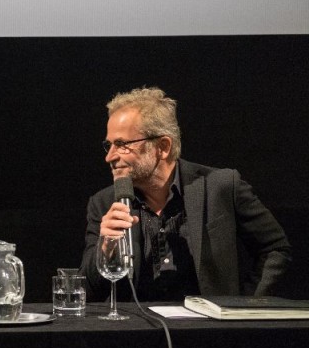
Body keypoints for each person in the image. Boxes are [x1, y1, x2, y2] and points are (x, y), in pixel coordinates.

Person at [80, 87, 291, 302]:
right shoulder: (104, 203)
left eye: (122, 144)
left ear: (162, 147)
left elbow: (275, 249)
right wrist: (105, 249)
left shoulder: (221, 186)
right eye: (109, 145)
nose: (110, 157)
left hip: (209, 331)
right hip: (137, 330)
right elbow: (88, 291)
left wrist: (246, 306)